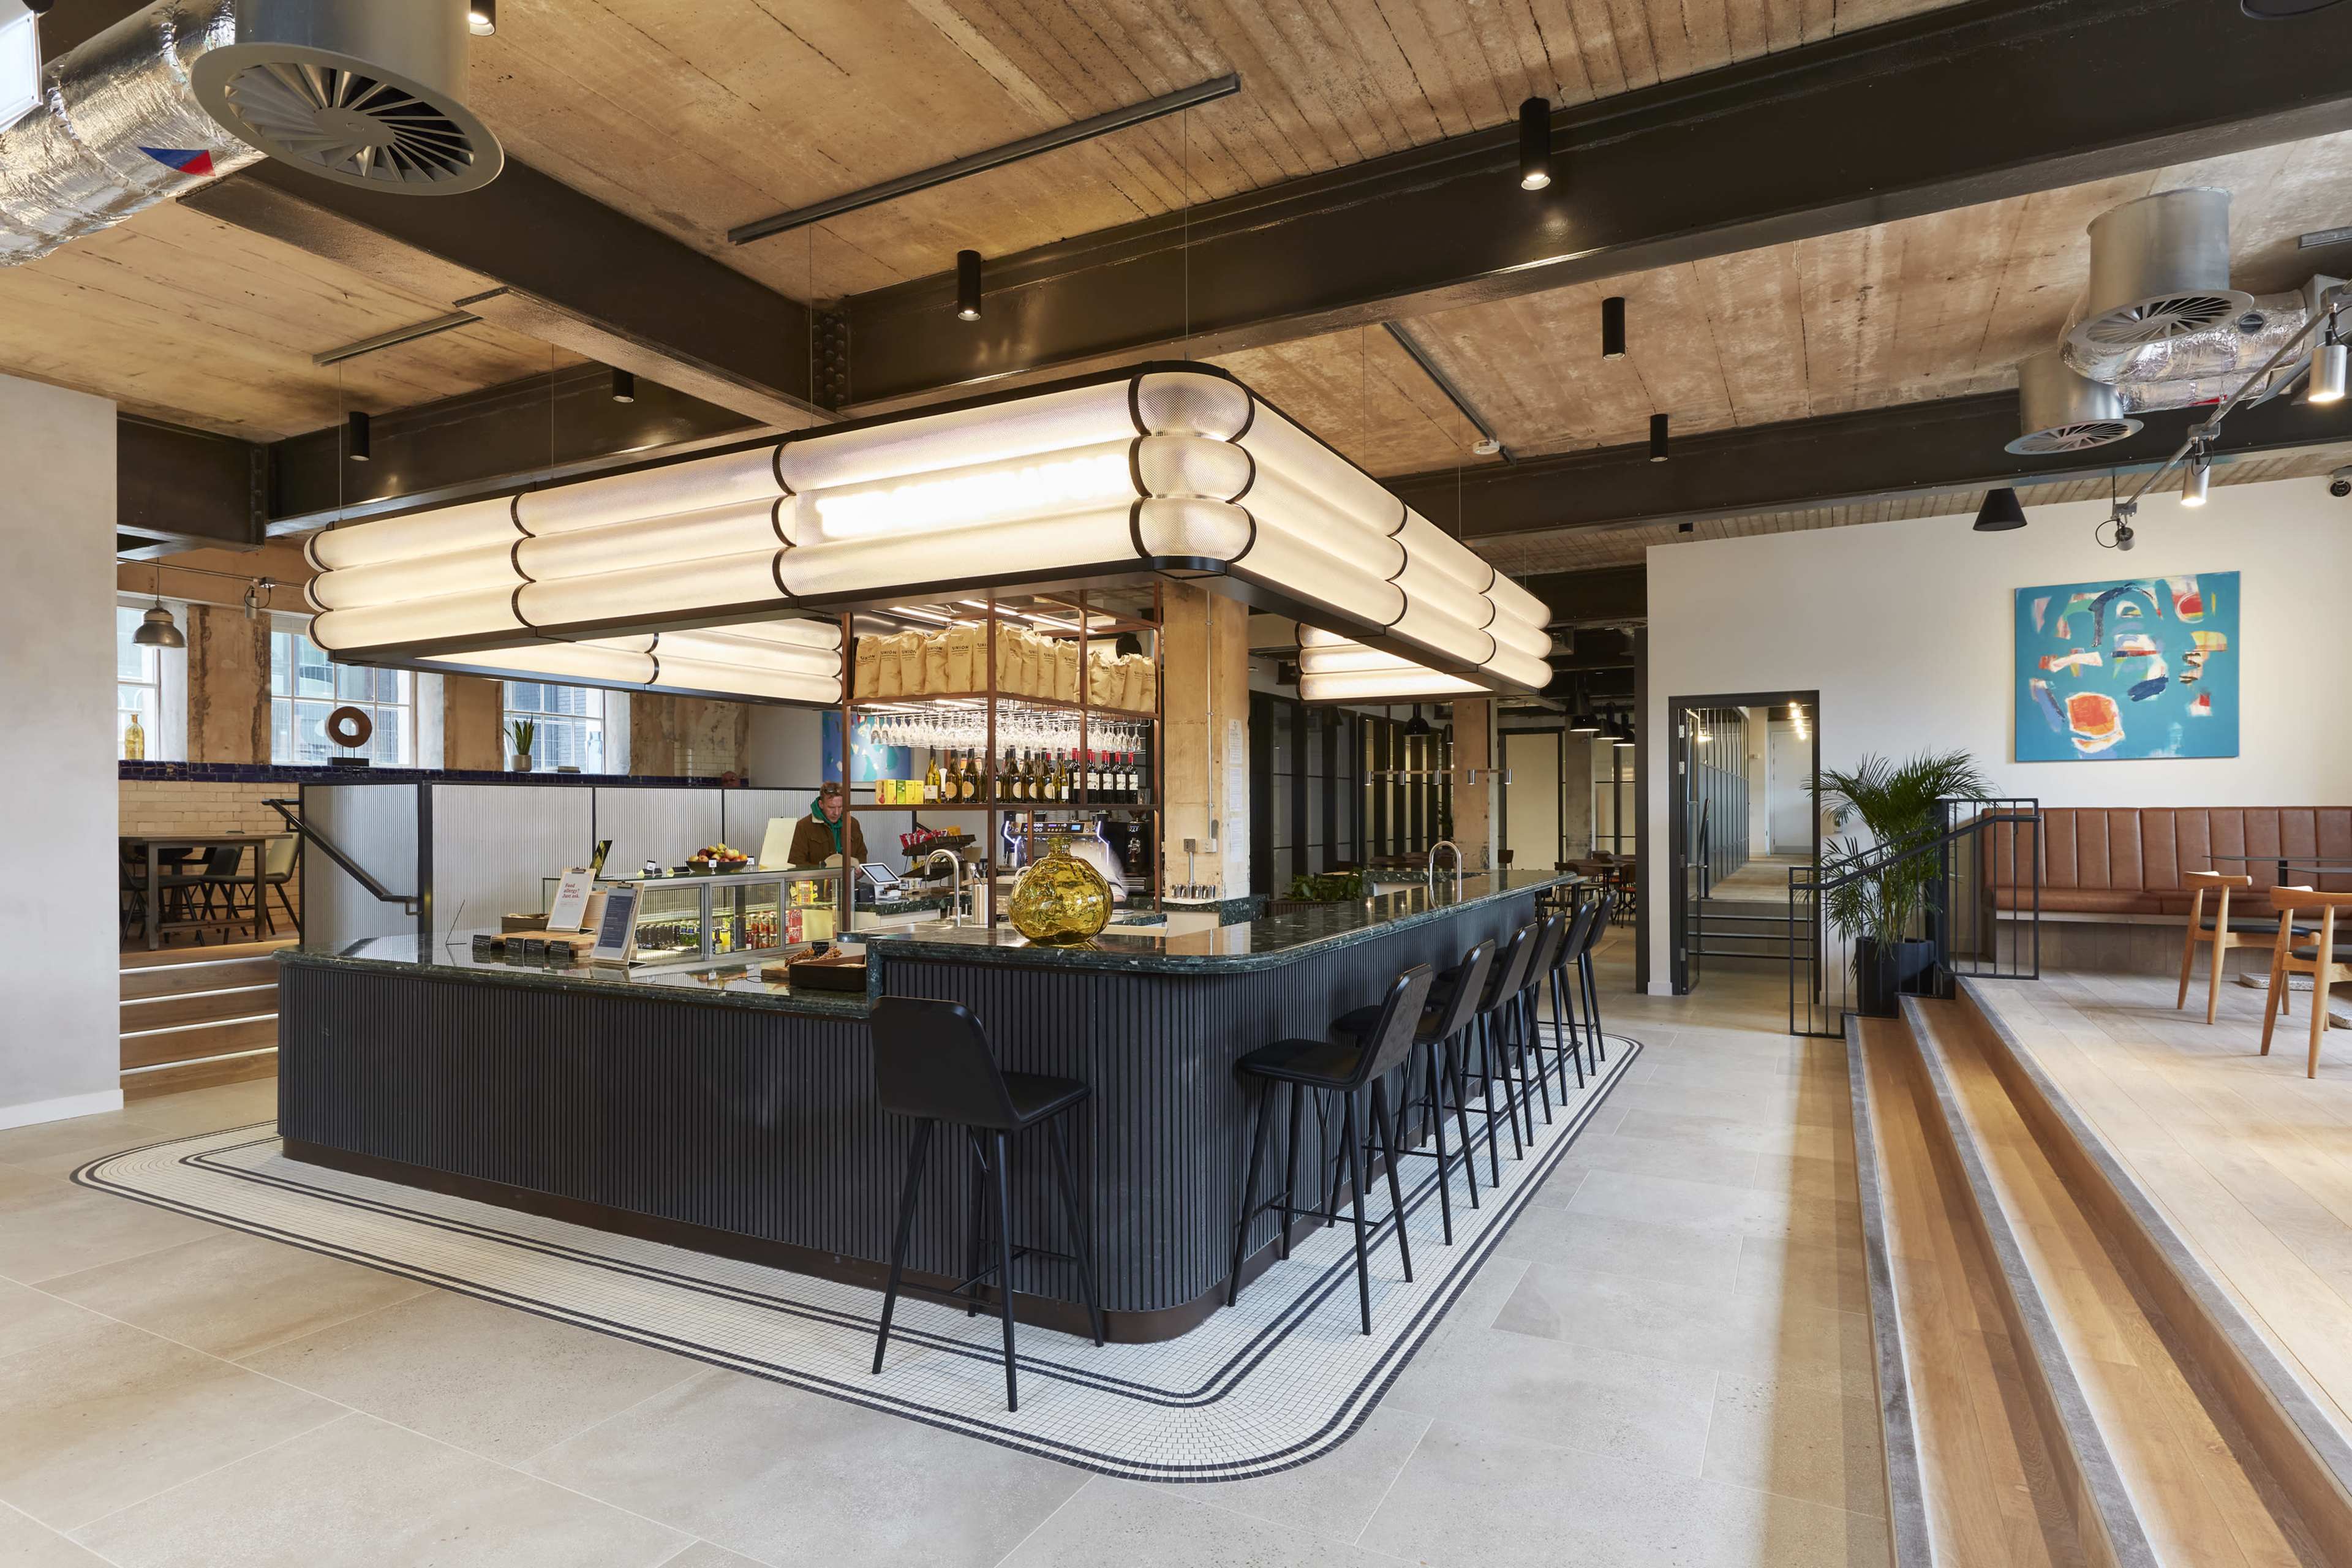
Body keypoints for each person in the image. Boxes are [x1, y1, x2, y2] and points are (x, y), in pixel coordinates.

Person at [788, 780, 869, 867]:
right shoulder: (803, 827)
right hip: (818, 880)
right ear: (821, 804)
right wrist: (824, 873)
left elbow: (862, 854)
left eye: (840, 807)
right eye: (831, 807)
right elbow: (796, 862)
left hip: (850, 879)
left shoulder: (852, 823)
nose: (837, 813)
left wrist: (860, 869)